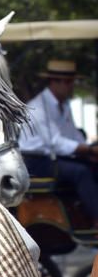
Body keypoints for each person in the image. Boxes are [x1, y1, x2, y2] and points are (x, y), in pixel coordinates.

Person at [19, 60, 98, 227]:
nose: (71, 87)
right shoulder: (38, 107)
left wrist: (90, 151)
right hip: (36, 162)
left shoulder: (64, 106)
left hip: (54, 158)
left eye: (72, 82)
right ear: (54, 82)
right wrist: (88, 149)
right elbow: (54, 142)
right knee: (81, 172)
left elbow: (73, 136)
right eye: (69, 82)